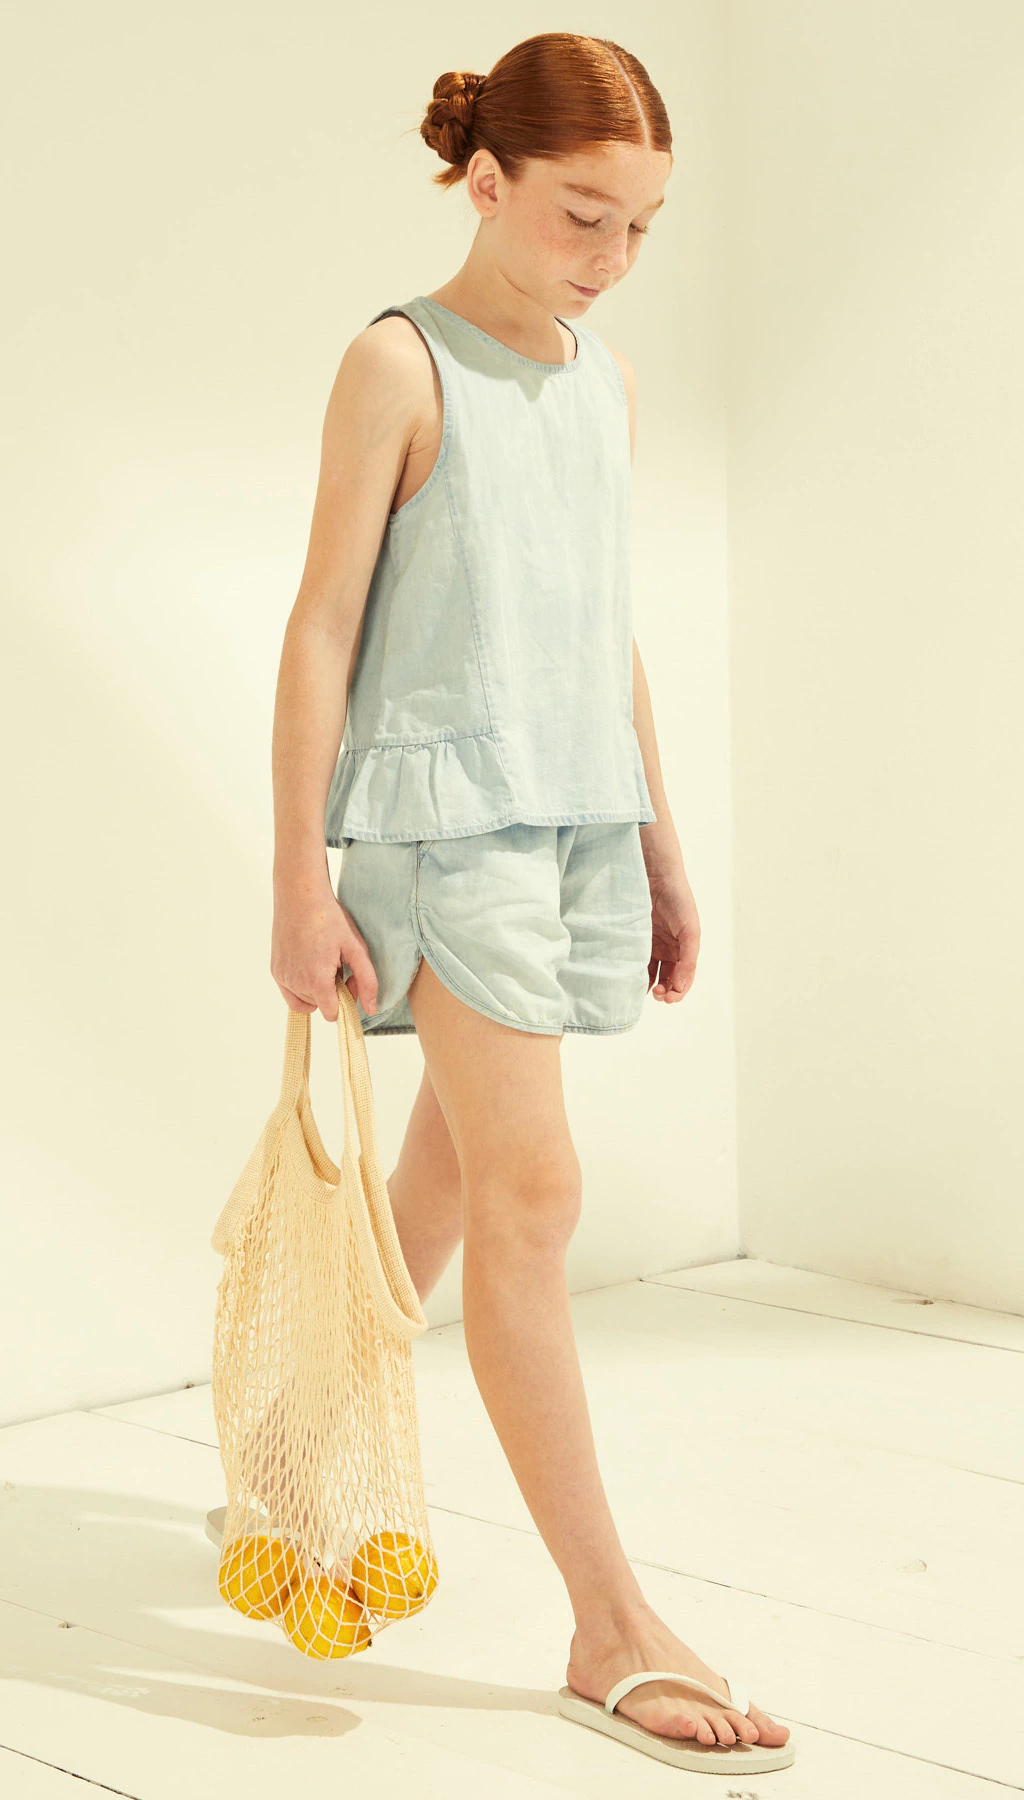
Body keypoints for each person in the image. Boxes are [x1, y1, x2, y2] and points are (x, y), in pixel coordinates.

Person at [268, 30, 794, 1776]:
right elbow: (322, 628)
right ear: (483, 181)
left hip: (575, 820)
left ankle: (293, 1454)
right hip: (449, 830)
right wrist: (296, 877)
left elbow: (599, 628)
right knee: (536, 1190)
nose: (612, 256)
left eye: (642, 226)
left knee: (449, 1172)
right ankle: (609, 1623)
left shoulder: (601, 380)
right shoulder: (397, 363)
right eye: (583, 214)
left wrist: (658, 839)